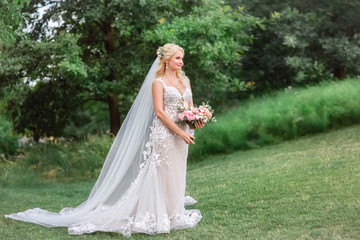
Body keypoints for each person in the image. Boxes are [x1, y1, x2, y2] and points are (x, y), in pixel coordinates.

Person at [5, 43, 203, 237]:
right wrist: (180, 131)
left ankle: (173, 212)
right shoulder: (158, 83)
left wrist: (195, 121)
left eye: (182, 58)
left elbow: (189, 108)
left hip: (182, 134)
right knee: (161, 173)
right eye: (178, 58)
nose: (181, 62)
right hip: (165, 135)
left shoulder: (185, 81)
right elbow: (159, 112)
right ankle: (158, 214)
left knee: (177, 171)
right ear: (166, 60)